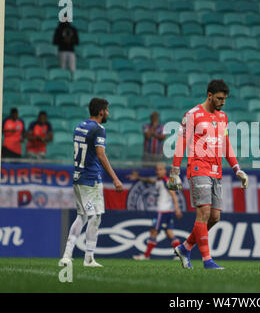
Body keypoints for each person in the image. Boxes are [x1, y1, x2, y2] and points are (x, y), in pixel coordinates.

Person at [168, 80, 248, 270]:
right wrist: (174, 171)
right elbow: (181, 143)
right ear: (209, 95)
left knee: (214, 217)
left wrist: (237, 169)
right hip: (198, 168)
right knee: (203, 213)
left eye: (225, 99)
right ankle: (207, 260)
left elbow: (226, 145)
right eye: (219, 98)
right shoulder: (192, 115)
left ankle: (185, 248)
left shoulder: (223, 117)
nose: (223, 102)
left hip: (216, 170)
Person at [59, 98, 124, 268]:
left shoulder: (79, 126)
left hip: (80, 177)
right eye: (107, 110)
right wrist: (116, 178)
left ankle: (74, 256)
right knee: (92, 216)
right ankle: (82, 257)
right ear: (101, 111)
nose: (108, 113)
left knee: (87, 216)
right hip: (90, 180)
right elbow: (101, 154)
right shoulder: (98, 129)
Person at [128, 163, 182, 260]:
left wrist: (177, 209)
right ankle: (181, 254)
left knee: (153, 231)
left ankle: (146, 255)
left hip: (163, 211)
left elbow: (174, 195)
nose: (158, 171)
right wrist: (138, 177)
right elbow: (149, 180)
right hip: (167, 211)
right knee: (169, 233)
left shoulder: (166, 181)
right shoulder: (159, 180)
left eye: (160, 169)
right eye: (157, 169)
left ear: (165, 170)